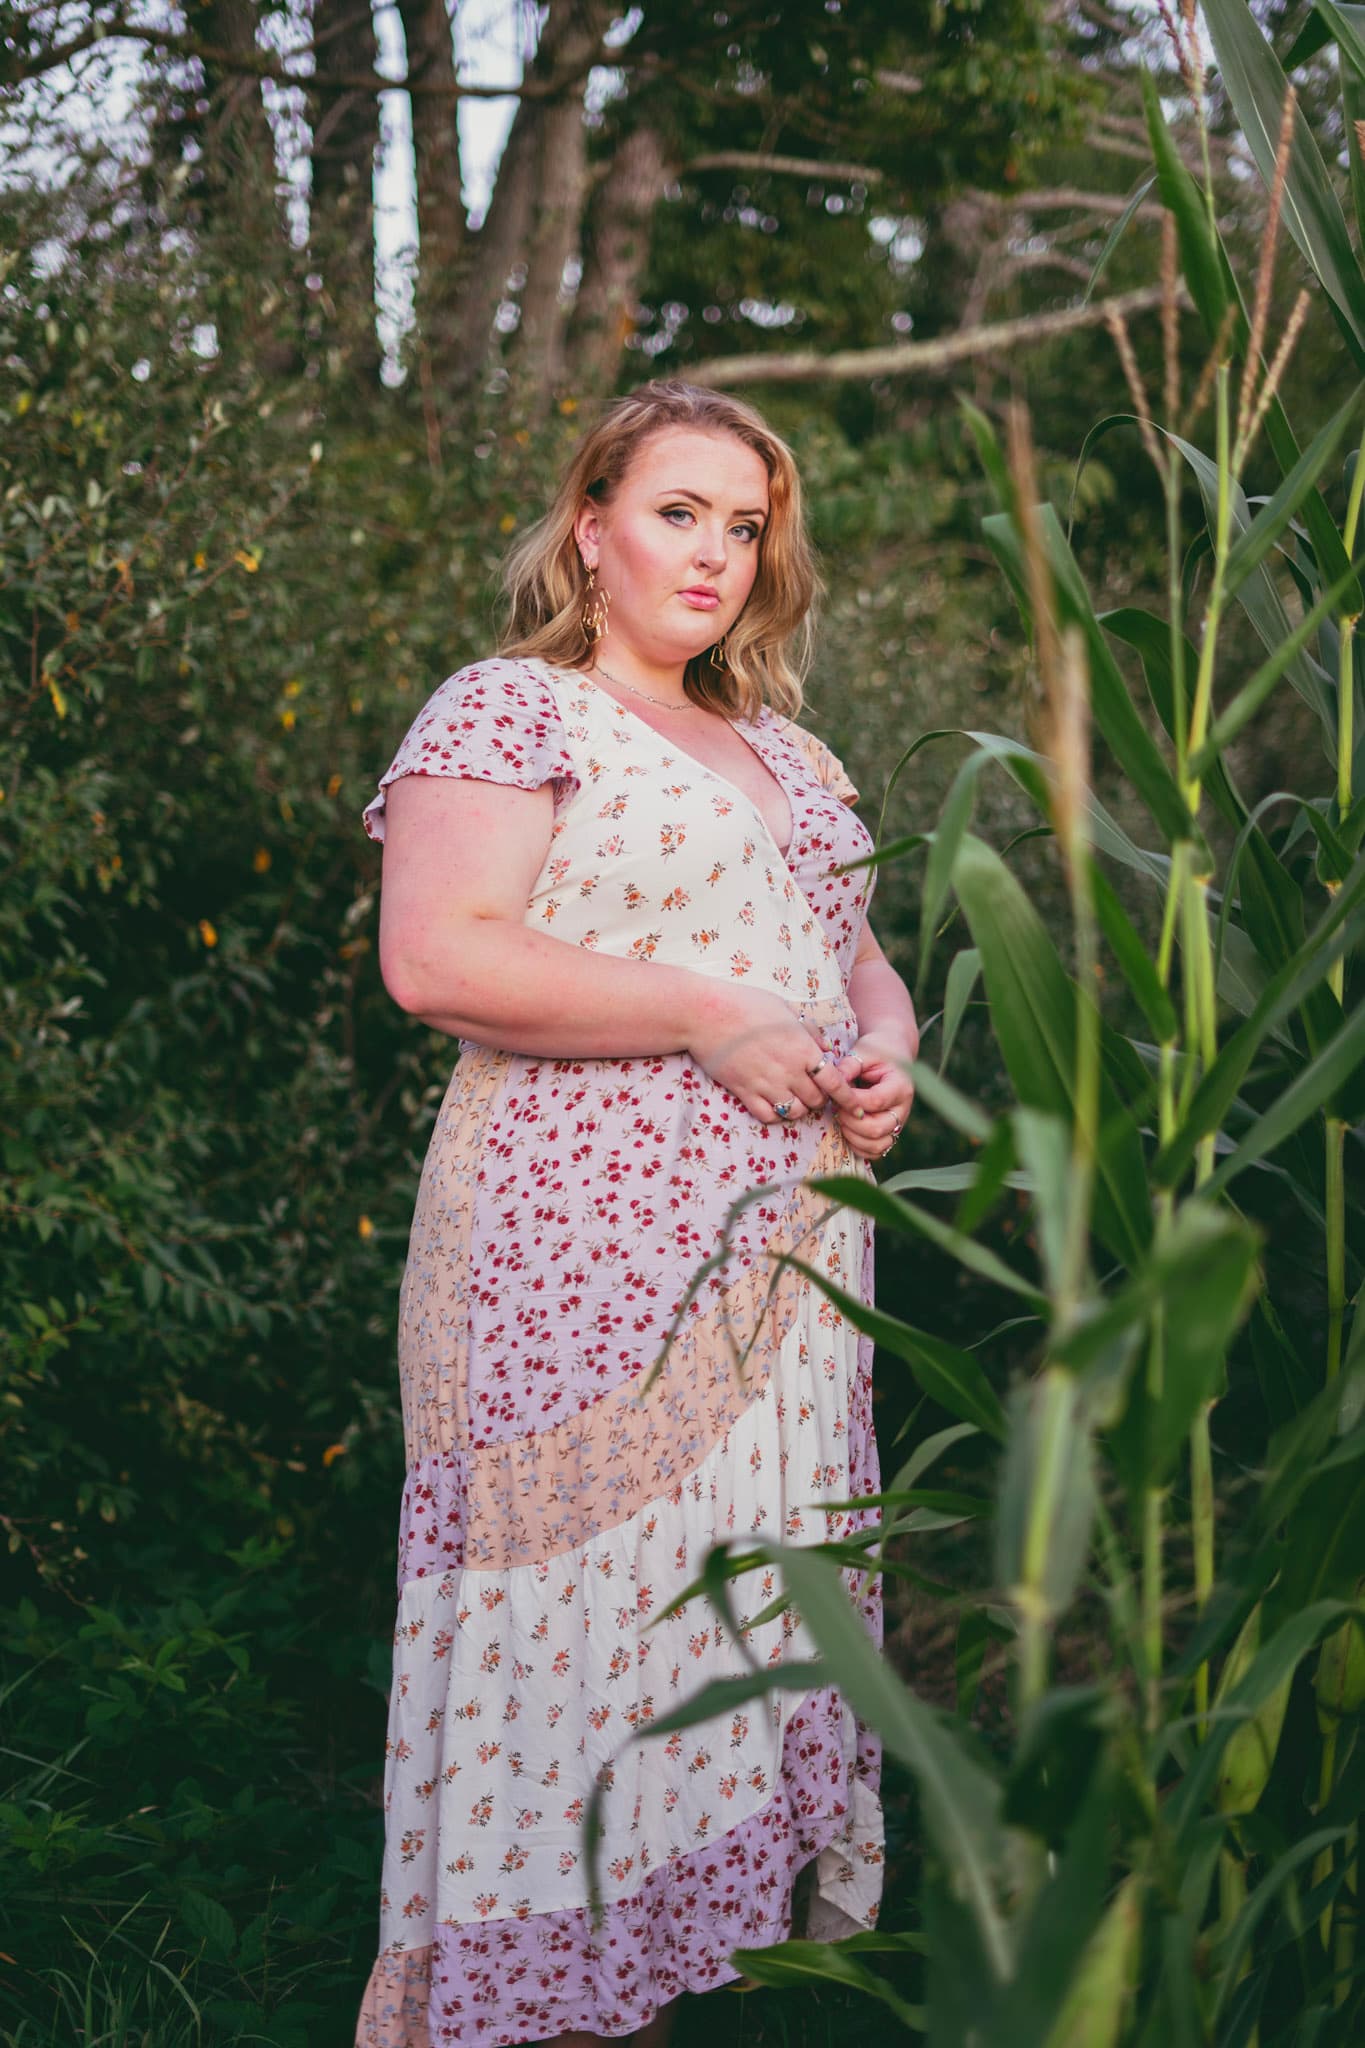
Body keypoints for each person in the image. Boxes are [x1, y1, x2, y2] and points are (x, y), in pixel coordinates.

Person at [354, 379, 919, 2048]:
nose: (715, 554)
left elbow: (857, 963)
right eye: (678, 512)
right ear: (589, 528)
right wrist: (702, 1013)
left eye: (744, 526)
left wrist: (883, 1054)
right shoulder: (511, 710)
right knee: (583, 1666)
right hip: (577, 1274)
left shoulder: (789, 754)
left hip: (786, 1291)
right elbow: (437, 957)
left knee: (707, 1667)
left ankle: (633, 2007)